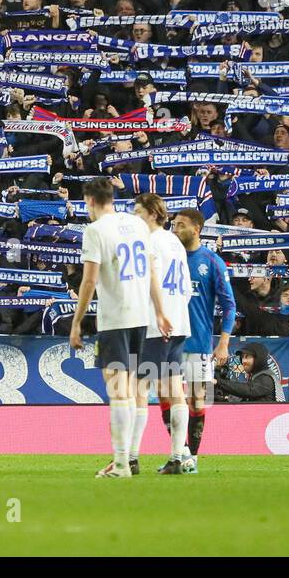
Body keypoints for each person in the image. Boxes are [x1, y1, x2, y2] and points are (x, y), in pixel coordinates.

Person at [72, 178, 171, 479]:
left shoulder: (95, 230)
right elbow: (152, 271)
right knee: (132, 391)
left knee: (119, 391)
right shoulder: (136, 224)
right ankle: (126, 459)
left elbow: (89, 281)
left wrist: (76, 322)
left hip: (115, 320)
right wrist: (160, 311)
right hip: (141, 318)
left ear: (89, 199)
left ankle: (121, 464)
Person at [131, 193, 192, 476]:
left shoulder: (151, 242)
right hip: (179, 321)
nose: (135, 218)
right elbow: (188, 288)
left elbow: (150, 279)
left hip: (157, 324)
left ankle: (130, 458)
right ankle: (178, 457)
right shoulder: (175, 243)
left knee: (137, 390)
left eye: (139, 212)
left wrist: (157, 311)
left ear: (154, 214)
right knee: (173, 390)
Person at [171, 208, 236, 474]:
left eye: (181, 225)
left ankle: (191, 456)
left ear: (196, 228)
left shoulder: (211, 261)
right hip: (169, 342)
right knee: (171, 400)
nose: (175, 230)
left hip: (198, 344)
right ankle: (180, 454)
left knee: (197, 400)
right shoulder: (167, 258)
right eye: (173, 225)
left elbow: (229, 305)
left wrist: (223, 343)